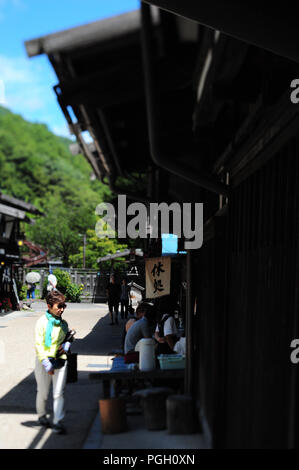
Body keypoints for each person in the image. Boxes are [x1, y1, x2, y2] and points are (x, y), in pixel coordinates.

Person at [34, 290, 74, 434]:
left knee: (58, 393)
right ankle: (41, 415)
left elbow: (67, 339)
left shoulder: (64, 324)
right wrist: (46, 364)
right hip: (43, 361)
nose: (62, 309)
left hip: (60, 361)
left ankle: (58, 421)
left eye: (64, 306)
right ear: (49, 306)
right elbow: (39, 345)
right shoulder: (41, 322)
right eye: (59, 306)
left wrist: (67, 345)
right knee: (43, 392)